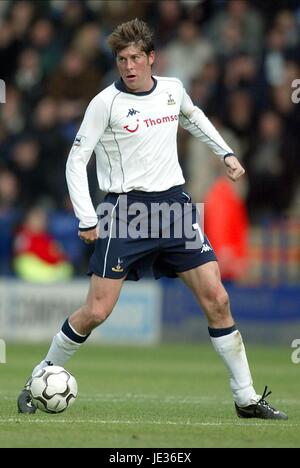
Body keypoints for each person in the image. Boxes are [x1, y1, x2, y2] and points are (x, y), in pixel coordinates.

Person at [17, 18, 287, 420]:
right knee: (96, 311)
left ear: (151, 59)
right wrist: (87, 216)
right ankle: (38, 376)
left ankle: (246, 398)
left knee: (218, 299)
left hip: (175, 208)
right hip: (125, 212)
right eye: (122, 59)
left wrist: (226, 153)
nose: (128, 66)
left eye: (135, 58)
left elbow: (194, 117)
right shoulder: (104, 103)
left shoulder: (172, 90)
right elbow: (77, 161)